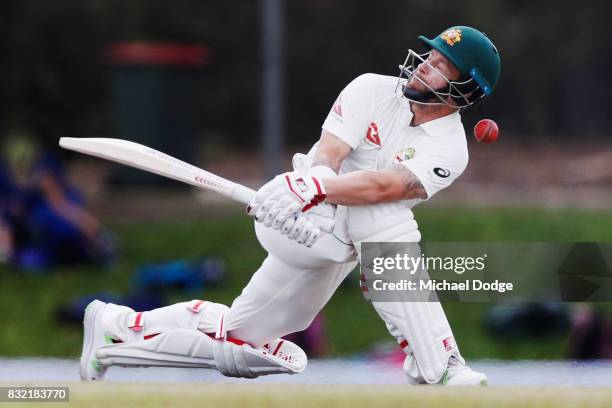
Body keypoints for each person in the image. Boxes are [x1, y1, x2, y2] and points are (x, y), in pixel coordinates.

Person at [80, 26, 500, 385]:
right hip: (297, 215)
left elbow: (387, 186)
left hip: (341, 241)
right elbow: (330, 152)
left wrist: (321, 190)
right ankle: (440, 365)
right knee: (385, 221)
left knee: (246, 342)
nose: (426, 63)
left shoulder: (450, 150)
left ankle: (116, 331)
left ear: (466, 88)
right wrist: (308, 185)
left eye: (442, 63)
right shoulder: (371, 88)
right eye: (429, 54)